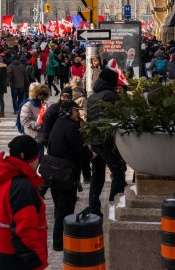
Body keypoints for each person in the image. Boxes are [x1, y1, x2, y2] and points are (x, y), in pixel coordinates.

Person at [0, 135, 48, 270]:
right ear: (31, 159)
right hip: (14, 260)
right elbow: (24, 232)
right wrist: (38, 262)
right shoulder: (23, 187)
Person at [47, 100, 91, 251]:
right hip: (66, 173)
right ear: (68, 111)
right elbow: (79, 150)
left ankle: (59, 240)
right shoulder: (71, 128)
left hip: (54, 173)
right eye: (76, 110)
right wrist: (91, 154)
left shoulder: (59, 123)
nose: (78, 113)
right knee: (64, 209)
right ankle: (60, 242)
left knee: (59, 207)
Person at [86, 68, 127, 216]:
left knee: (97, 176)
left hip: (94, 141)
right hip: (107, 141)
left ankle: (94, 208)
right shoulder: (110, 95)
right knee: (118, 173)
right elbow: (119, 114)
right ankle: (112, 205)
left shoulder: (92, 96)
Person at [18, 83, 49, 154]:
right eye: (40, 93)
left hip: (42, 139)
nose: (42, 96)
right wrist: (40, 126)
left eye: (43, 93)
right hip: (31, 139)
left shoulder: (44, 104)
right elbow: (25, 121)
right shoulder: (27, 105)